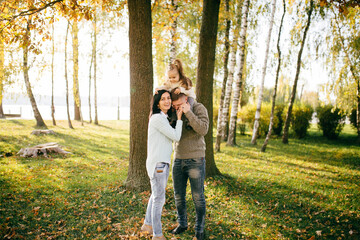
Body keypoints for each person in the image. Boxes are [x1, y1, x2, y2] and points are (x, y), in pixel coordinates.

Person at [140, 90, 183, 240]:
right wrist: (179, 118)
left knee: (155, 196)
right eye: (163, 99)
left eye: (169, 98)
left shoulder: (162, 118)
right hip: (158, 164)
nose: (167, 101)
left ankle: (147, 225)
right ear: (157, 103)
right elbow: (176, 136)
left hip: (161, 163)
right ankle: (157, 235)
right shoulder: (158, 118)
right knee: (159, 199)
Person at [169, 90, 209, 240]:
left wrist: (188, 113)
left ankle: (199, 229)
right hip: (178, 158)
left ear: (186, 99)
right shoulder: (173, 111)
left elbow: (203, 129)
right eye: (175, 106)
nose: (177, 108)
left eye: (180, 105)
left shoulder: (199, 108)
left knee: (198, 196)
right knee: (178, 196)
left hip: (195, 159)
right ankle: (182, 223)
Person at [156, 59, 195, 129]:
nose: (171, 79)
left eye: (174, 77)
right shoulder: (170, 82)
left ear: (179, 74)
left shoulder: (183, 81)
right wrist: (159, 88)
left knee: (189, 106)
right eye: (169, 77)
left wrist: (181, 89)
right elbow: (165, 87)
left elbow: (188, 90)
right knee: (173, 107)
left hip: (189, 96)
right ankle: (173, 120)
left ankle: (188, 122)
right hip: (177, 100)